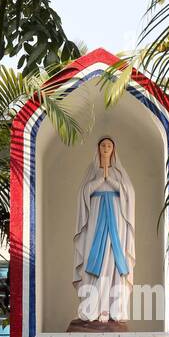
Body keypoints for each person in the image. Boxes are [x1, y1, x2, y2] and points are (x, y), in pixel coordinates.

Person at [72, 136, 135, 323]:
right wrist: (100, 179)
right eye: (103, 145)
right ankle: (92, 307)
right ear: (98, 148)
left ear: (114, 149)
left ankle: (111, 308)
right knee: (95, 259)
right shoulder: (92, 170)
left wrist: (111, 180)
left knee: (113, 261)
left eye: (109, 145)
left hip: (116, 219)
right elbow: (84, 193)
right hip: (96, 217)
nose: (106, 148)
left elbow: (128, 194)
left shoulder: (119, 172)